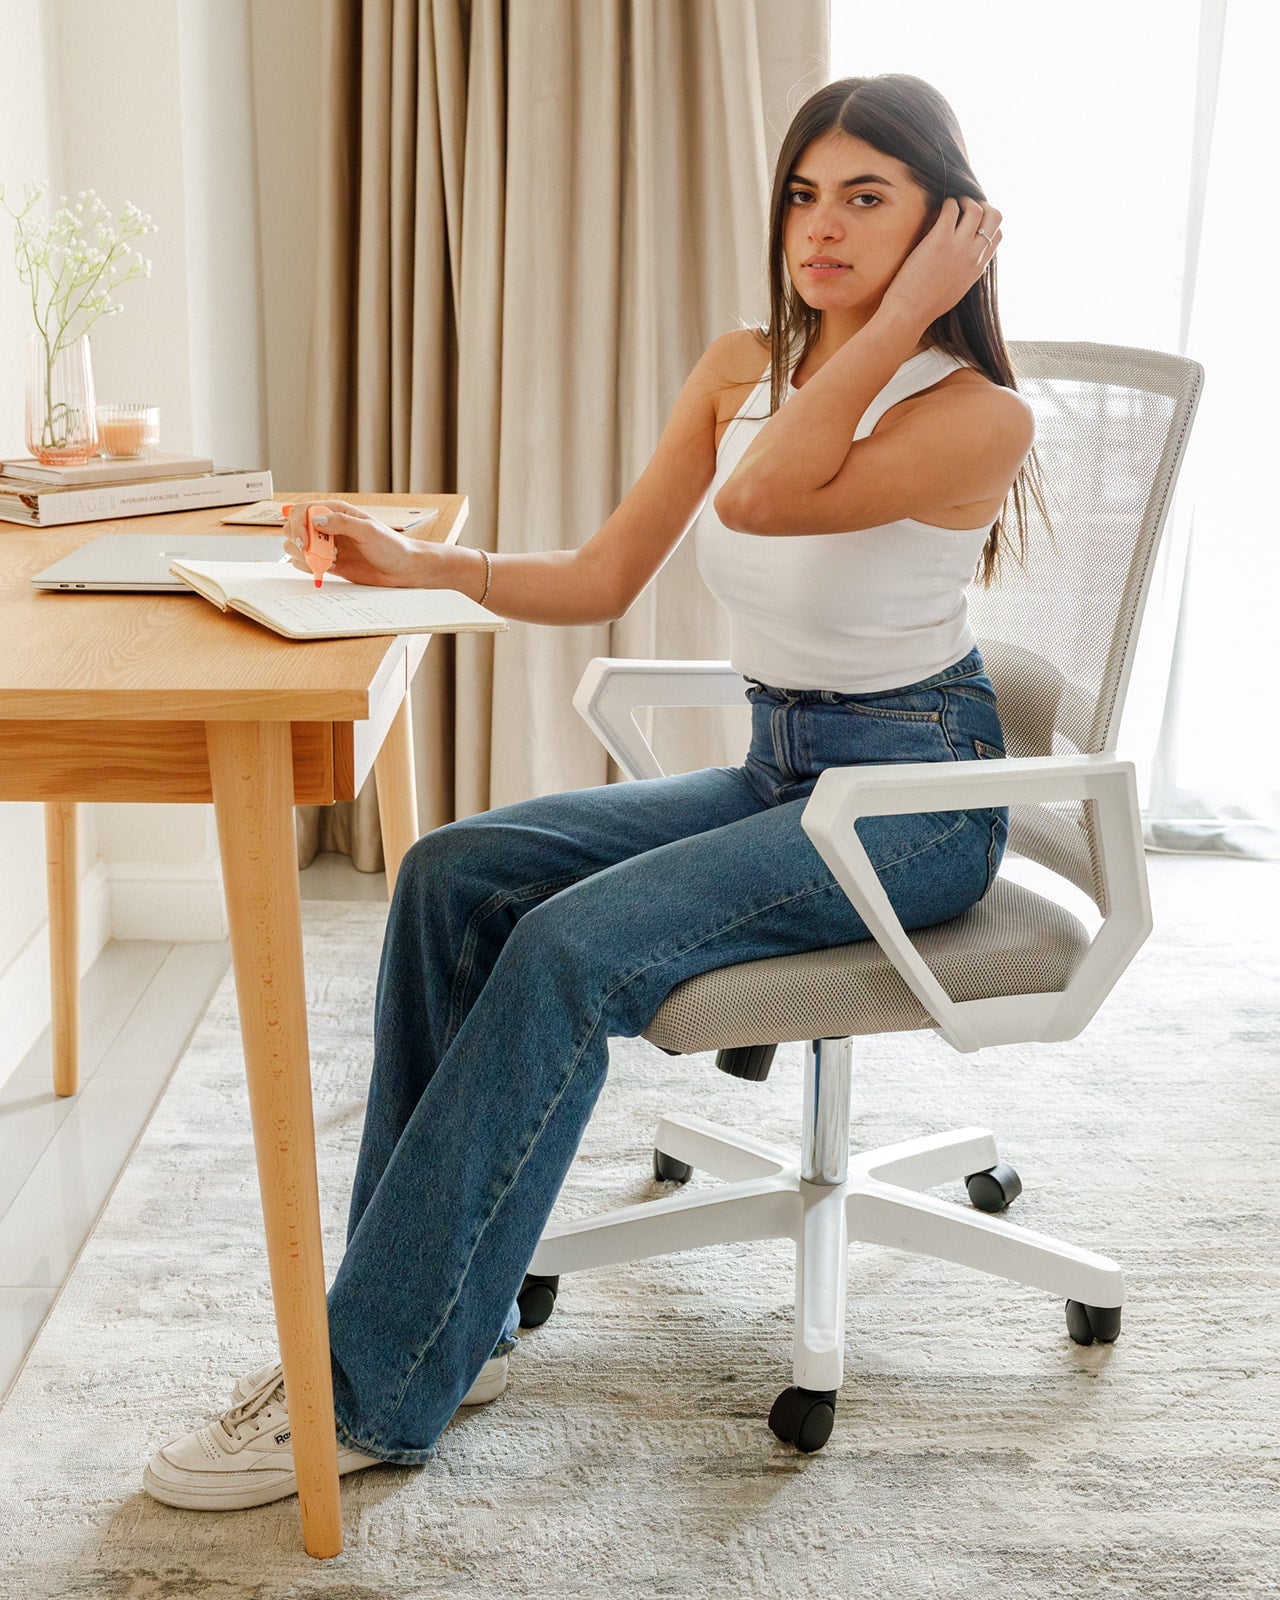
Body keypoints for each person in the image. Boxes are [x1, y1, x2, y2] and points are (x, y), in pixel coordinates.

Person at [144, 72, 1047, 1511]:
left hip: (915, 805)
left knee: (565, 952)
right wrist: (425, 565)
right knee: (453, 874)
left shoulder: (979, 416)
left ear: (951, 225)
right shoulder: (739, 367)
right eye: (804, 194)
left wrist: (891, 326)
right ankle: (446, 1325)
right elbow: (603, 573)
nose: (820, 227)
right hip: (782, 768)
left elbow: (760, 499)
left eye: (867, 198)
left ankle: (364, 1390)